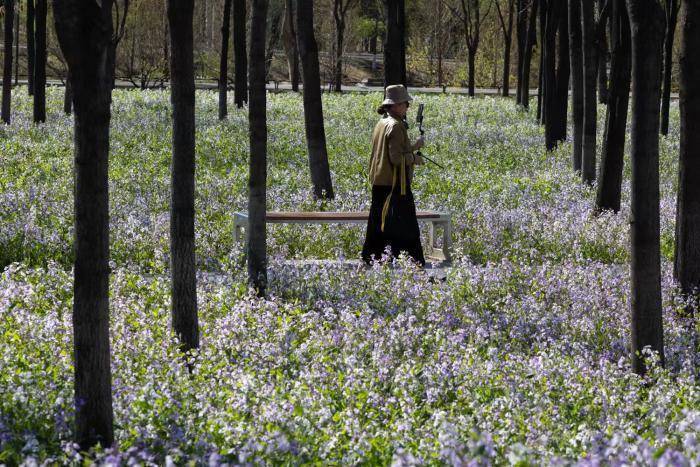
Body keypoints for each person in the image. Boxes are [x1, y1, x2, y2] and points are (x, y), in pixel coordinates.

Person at [362, 84, 426, 267]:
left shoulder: (382, 123)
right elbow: (397, 159)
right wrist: (415, 159)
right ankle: (413, 264)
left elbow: (392, 151)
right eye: (405, 103)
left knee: (379, 223)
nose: (407, 107)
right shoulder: (396, 126)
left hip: (380, 182)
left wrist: (414, 146)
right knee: (407, 226)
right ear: (396, 105)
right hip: (395, 186)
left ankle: (373, 258)